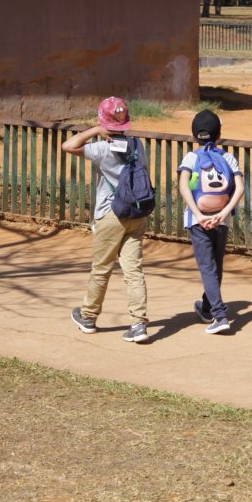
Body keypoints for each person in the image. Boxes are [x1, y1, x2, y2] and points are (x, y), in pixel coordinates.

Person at [65, 96, 151, 343]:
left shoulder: (103, 148)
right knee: (134, 271)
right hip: (136, 212)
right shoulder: (137, 145)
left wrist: (95, 130)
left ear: (104, 122)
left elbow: (68, 146)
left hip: (110, 213)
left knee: (101, 268)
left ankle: (89, 317)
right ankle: (138, 324)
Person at [177, 110, 245, 335]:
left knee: (207, 267)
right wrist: (224, 212)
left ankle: (219, 315)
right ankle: (207, 307)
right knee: (216, 265)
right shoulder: (228, 157)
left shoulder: (191, 157)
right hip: (221, 218)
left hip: (199, 220)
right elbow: (240, 187)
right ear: (219, 133)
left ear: (195, 135)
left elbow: (184, 186)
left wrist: (198, 214)